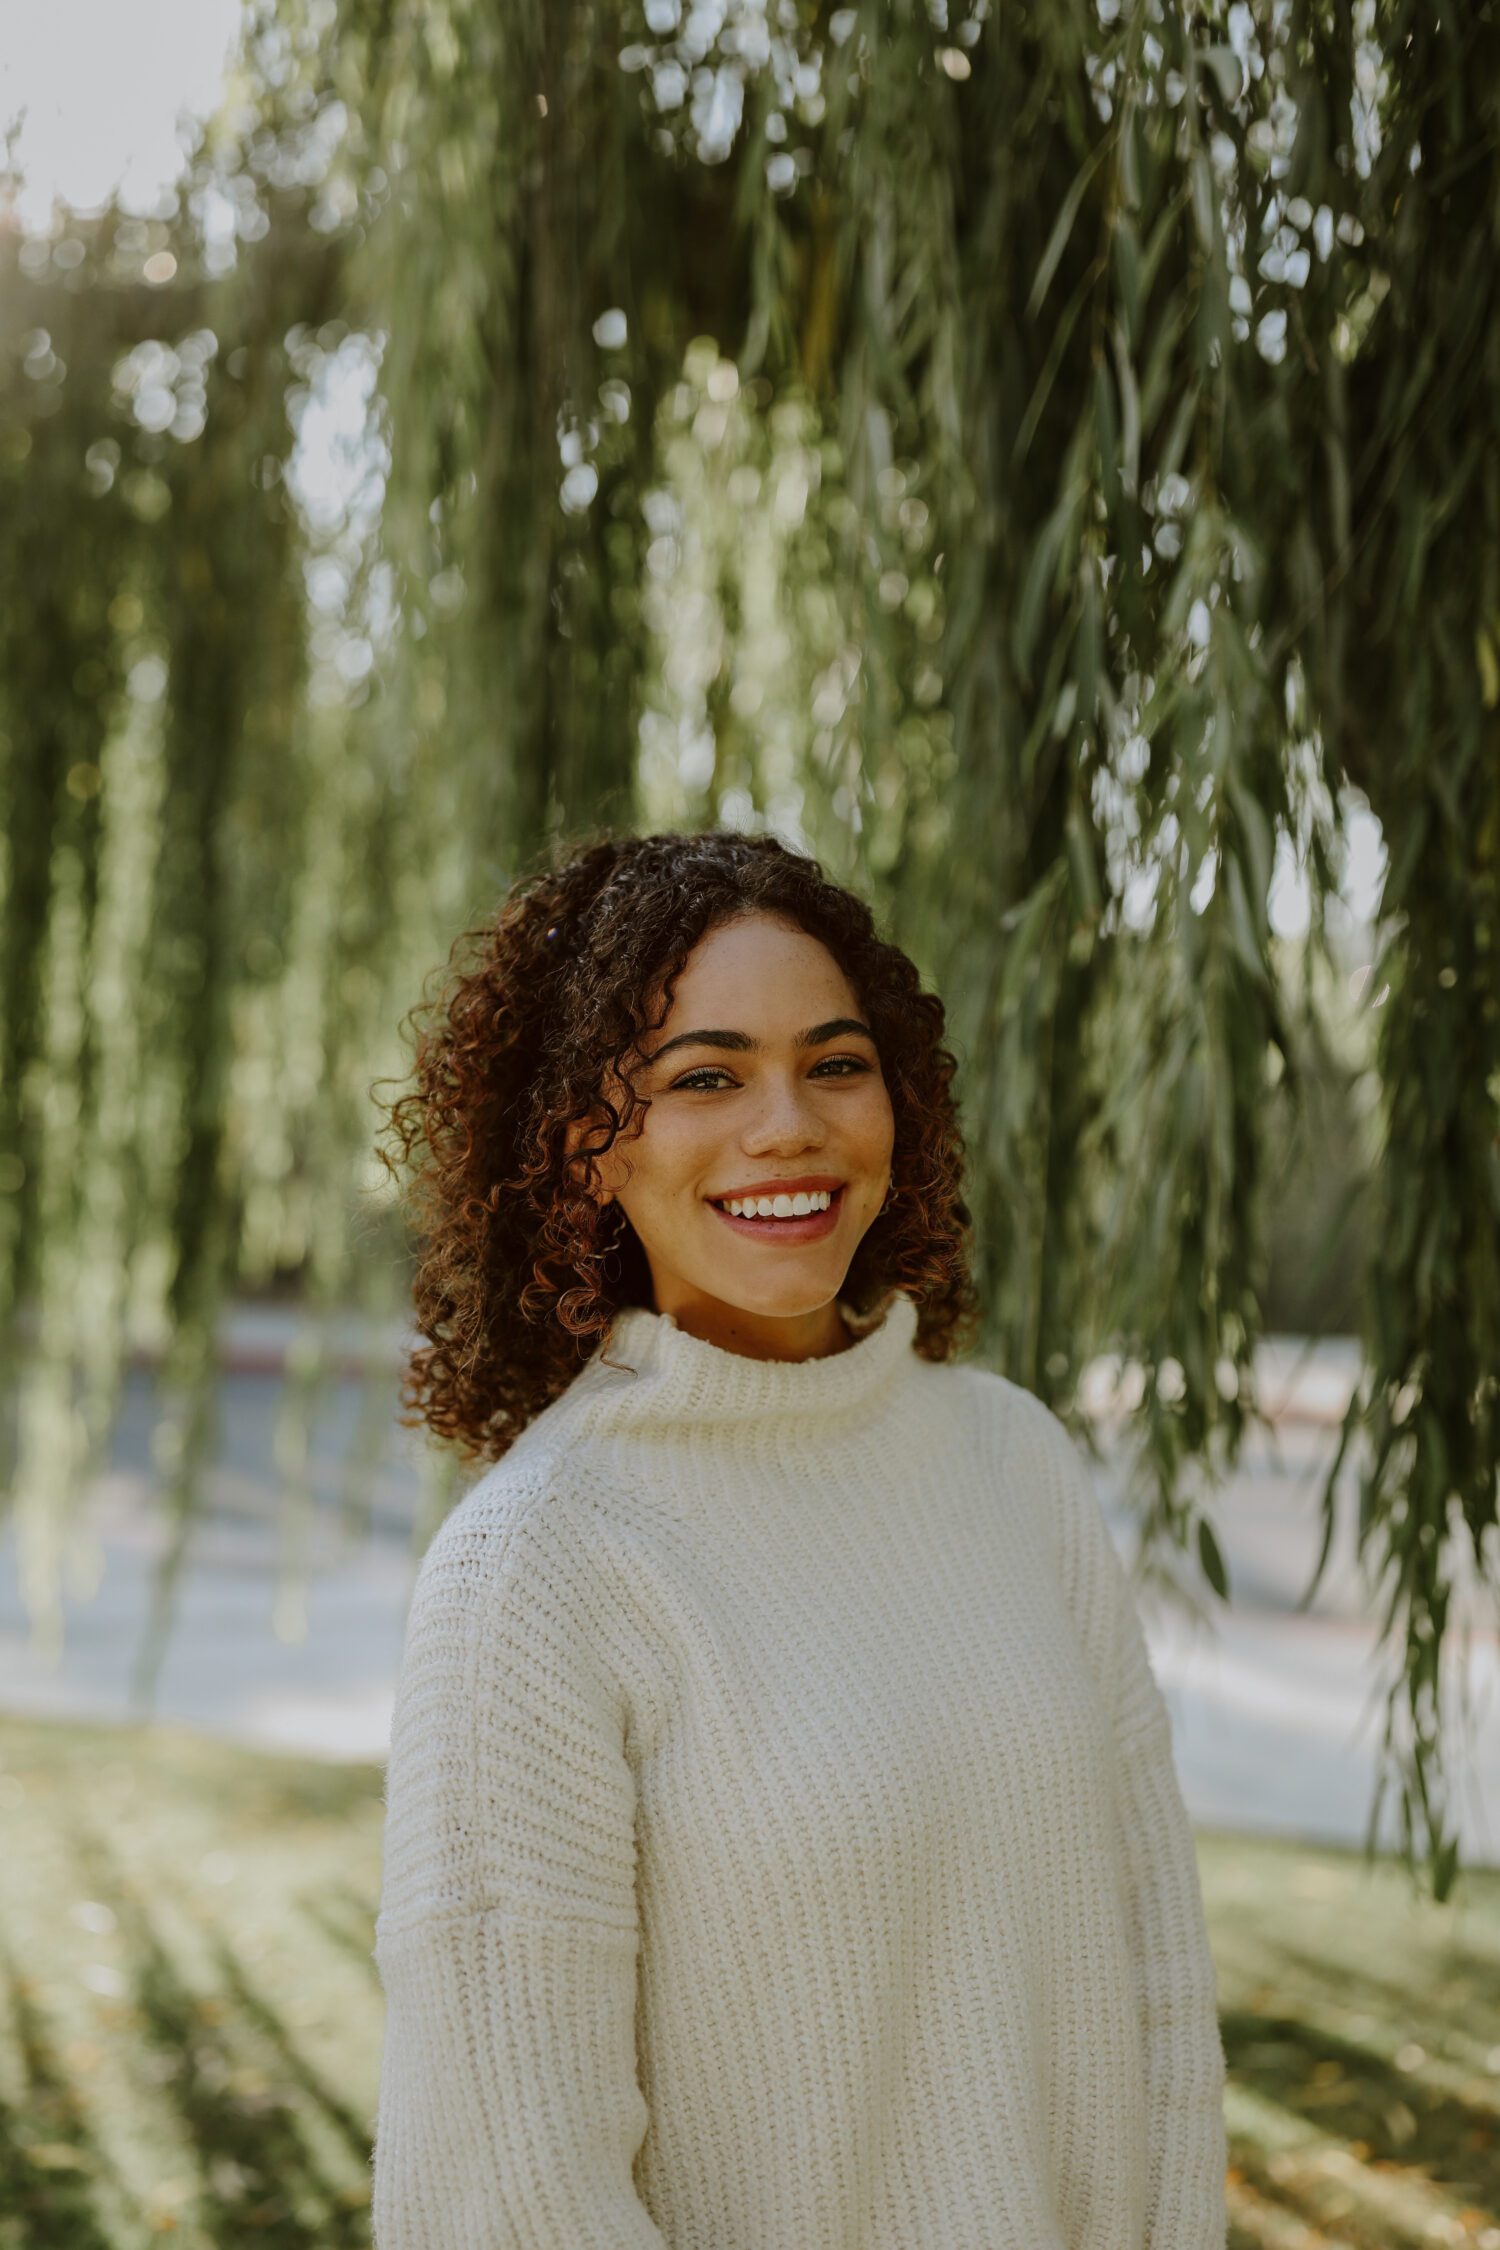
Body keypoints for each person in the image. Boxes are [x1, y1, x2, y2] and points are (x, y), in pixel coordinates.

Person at [369, 826, 1229, 2250]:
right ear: (582, 1145)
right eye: (704, 1076)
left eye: (835, 1062)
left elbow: (1158, 1987)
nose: (790, 1125)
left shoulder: (1015, 1462)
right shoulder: (533, 1570)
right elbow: (510, 2192)